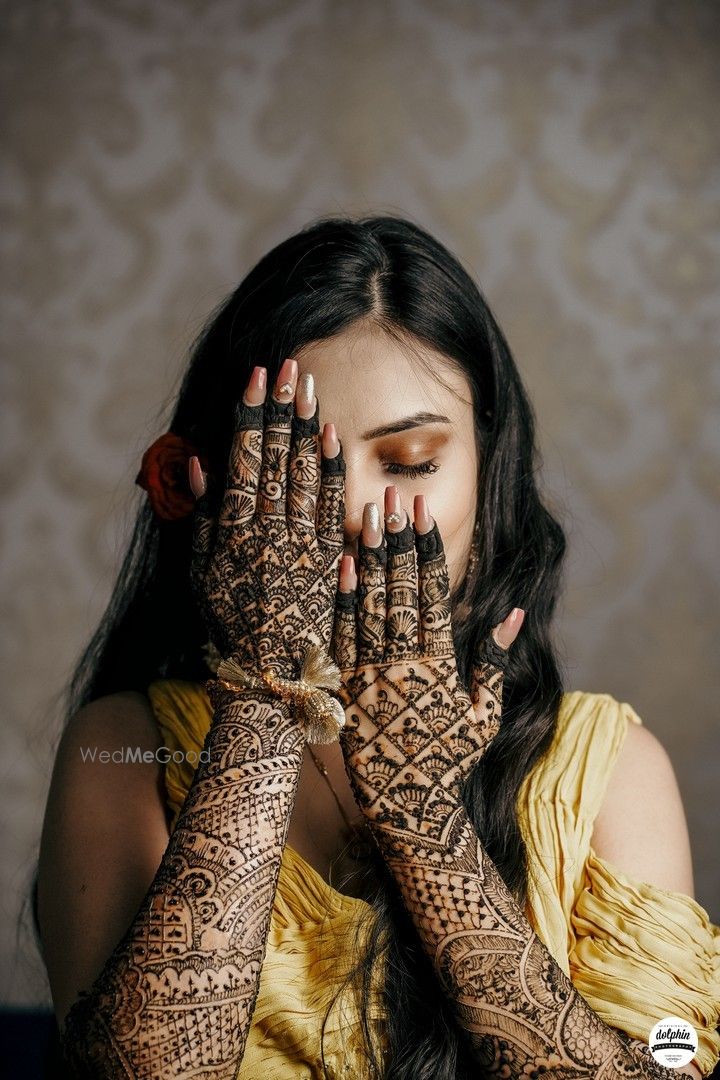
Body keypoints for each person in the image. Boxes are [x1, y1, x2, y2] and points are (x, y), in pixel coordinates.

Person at [34, 214, 719, 1079]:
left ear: (488, 467)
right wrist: (265, 702)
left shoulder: (607, 771)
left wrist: (427, 827)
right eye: (299, 467)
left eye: (410, 462)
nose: (356, 512)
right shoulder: (125, 749)